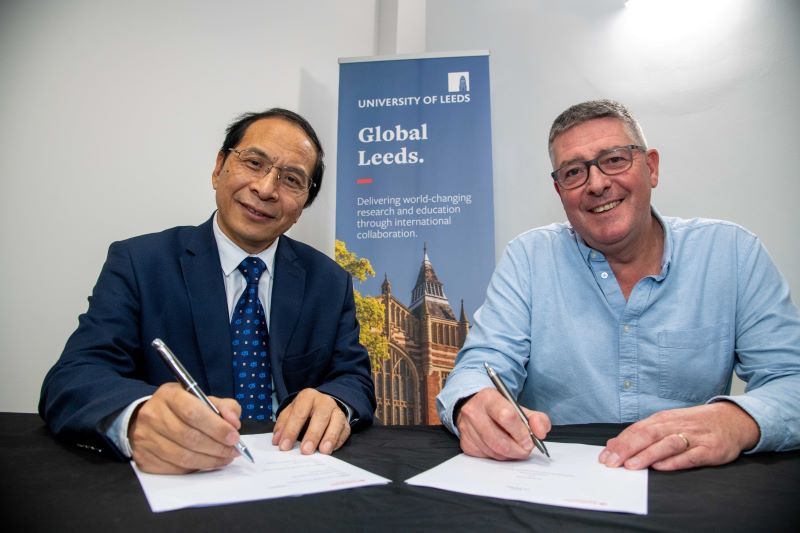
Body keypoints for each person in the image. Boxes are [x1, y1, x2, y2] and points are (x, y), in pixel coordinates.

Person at [437, 99, 800, 471]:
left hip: (692, 487)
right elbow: (480, 368)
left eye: (614, 159)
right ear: (560, 191)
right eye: (574, 172)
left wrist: (736, 421)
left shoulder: (733, 254)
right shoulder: (529, 258)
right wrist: (472, 403)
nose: (596, 184)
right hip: (559, 484)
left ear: (652, 167)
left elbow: (792, 380)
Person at [40, 108, 376, 474]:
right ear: (218, 168)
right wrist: (137, 416)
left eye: (291, 180)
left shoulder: (328, 281)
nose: (265, 189)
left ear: (302, 207)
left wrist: (334, 399)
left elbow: (353, 377)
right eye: (253, 162)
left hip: (295, 474)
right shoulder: (140, 263)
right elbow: (74, 375)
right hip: (180, 481)